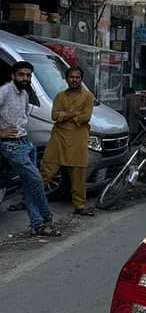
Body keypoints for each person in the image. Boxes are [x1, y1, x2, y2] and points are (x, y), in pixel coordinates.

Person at [0, 61, 59, 237]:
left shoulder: (24, 94)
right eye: (21, 75)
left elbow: (23, 117)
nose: (25, 78)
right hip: (12, 147)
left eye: (28, 75)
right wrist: (1, 131)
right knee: (36, 181)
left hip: (26, 143)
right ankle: (47, 220)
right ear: (13, 76)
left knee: (28, 186)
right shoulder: (4, 91)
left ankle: (37, 225)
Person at [40, 66, 95, 217]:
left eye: (77, 77)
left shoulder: (88, 96)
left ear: (81, 79)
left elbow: (85, 117)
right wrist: (74, 114)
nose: (74, 80)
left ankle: (80, 206)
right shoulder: (60, 96)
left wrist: (65, 116)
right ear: (66, 79)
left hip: (78, 139)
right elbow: (54, 115)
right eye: (72, 77)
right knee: (46, 169)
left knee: (78, 174)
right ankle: (29, 200)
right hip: (58, 137)